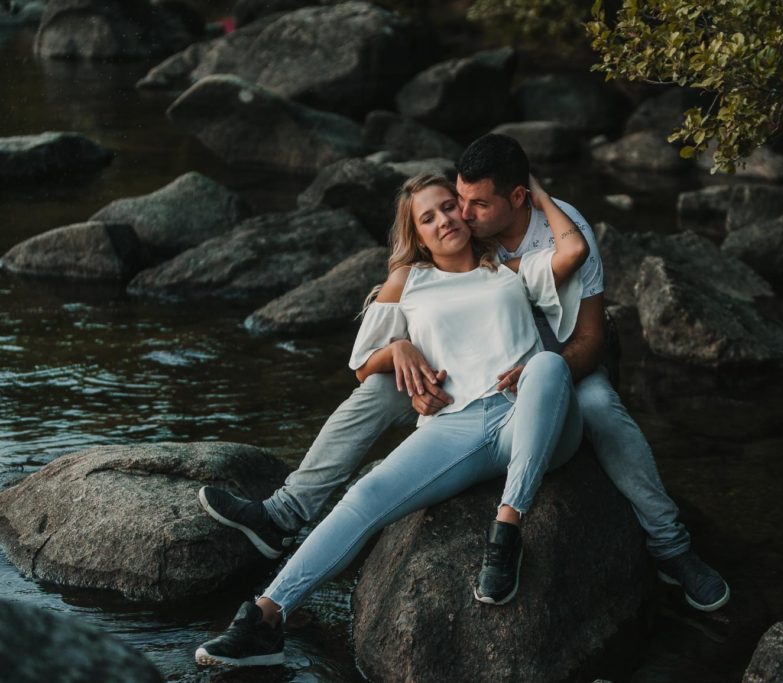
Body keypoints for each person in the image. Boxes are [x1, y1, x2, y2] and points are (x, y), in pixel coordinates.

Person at [200, 134, 729, 617]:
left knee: (596, 406)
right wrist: (402, 347)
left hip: (561, 354)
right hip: (468, 382)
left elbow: (588, 339)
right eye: (452, 203)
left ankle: (670, 546)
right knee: (384, 384)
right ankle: (288, 512)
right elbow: (366, 360)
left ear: (516, 198)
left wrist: (541, 376)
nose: (461, 216)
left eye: (472, 205)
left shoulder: (544, 236)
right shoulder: (438, 260)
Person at [195, 172, 589, 667]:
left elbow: (573, 250)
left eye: (449, 206)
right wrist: (399, 345)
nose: (444, 219)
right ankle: (266, 618)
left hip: (532, 416)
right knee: (364, 496)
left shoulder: (508, 266)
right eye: (428, 217)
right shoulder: (410, 281)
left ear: (466, 210)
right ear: (417, 234)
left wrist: (535, 192)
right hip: (457, 423)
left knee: (549, 365)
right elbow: (363, 365)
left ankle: (507, 530)